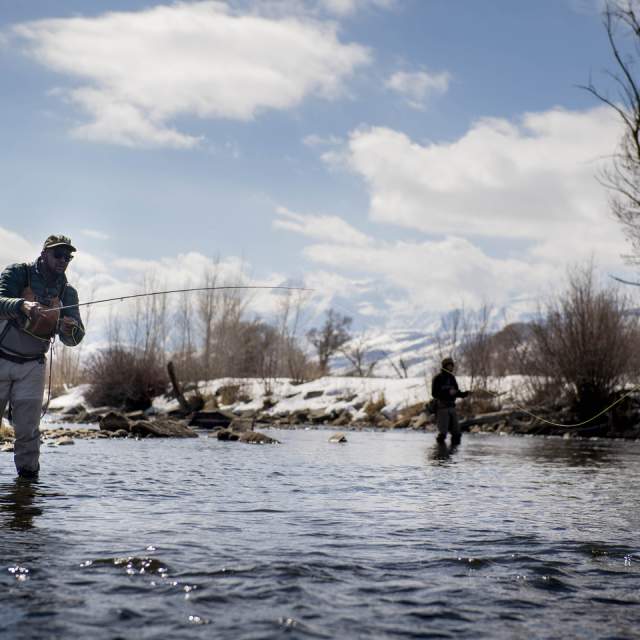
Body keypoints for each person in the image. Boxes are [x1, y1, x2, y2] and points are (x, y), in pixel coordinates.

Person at [0, 235, 85, 479]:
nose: (63, 260)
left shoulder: (68, 293)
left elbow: (76, 338)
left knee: (28, 433)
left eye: (67, 257)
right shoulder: (18, 273)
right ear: (44, 253)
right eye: (58, 255)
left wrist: (70, 329)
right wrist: (21, 305)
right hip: (1, 357)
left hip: (32, 367)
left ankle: (27, 490)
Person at [431, 357, 469, 446]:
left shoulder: (452, 378)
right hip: (442, 408)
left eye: (452, 366)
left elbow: (456, 392)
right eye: (449, 366)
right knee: (443, 434)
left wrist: (465, 394)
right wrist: (447, 392)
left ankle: (454, 456)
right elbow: (434, 394)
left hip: (452, 408)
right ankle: (440, 455)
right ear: (445, 366)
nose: (451, 367)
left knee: (457, 434)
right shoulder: (437, 378)